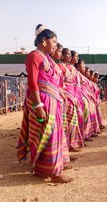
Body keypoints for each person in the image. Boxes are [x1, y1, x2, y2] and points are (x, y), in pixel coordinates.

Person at [17, 24, 73, 183]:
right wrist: (39, 106)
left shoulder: (47, 58)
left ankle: (45, 168)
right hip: (42, 101)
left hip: (52, 100)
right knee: (48, 133)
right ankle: (53, 173)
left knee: (53, 134)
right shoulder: (34, 56)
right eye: (53, 41)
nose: (55, 45)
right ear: (43, 41)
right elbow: (33, 82)